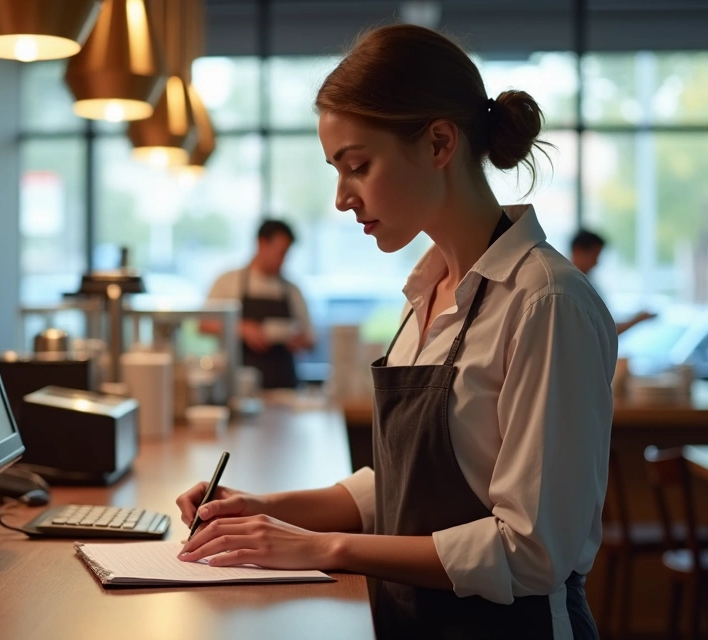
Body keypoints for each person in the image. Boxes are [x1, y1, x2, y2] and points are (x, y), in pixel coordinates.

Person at [176, 24, 615, 639]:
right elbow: (402, 488)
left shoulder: (547, 303)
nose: (341, 198)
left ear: (439, 142)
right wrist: (262, 509)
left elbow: (531, 551)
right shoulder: (425, 294)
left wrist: (324, 547)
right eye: (337, 171)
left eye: (357, 166)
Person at [203, 219, 314, 389]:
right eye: (280, 253)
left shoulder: (292, 290)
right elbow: (204, 324)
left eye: (286, 254)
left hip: (285, 389)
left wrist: (297, 340)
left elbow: (311, 340)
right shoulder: (228, 281)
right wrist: (242, 328)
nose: (283, 260)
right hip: (239, 387)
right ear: (262, 243)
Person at [570, 228, 655, 334]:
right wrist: (638, 319)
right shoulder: (569, 285)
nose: (596, 262)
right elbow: (603, 331)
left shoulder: (587, 283)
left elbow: (604, 327)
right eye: (594, 256)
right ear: (578, 251)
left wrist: (638, 319)